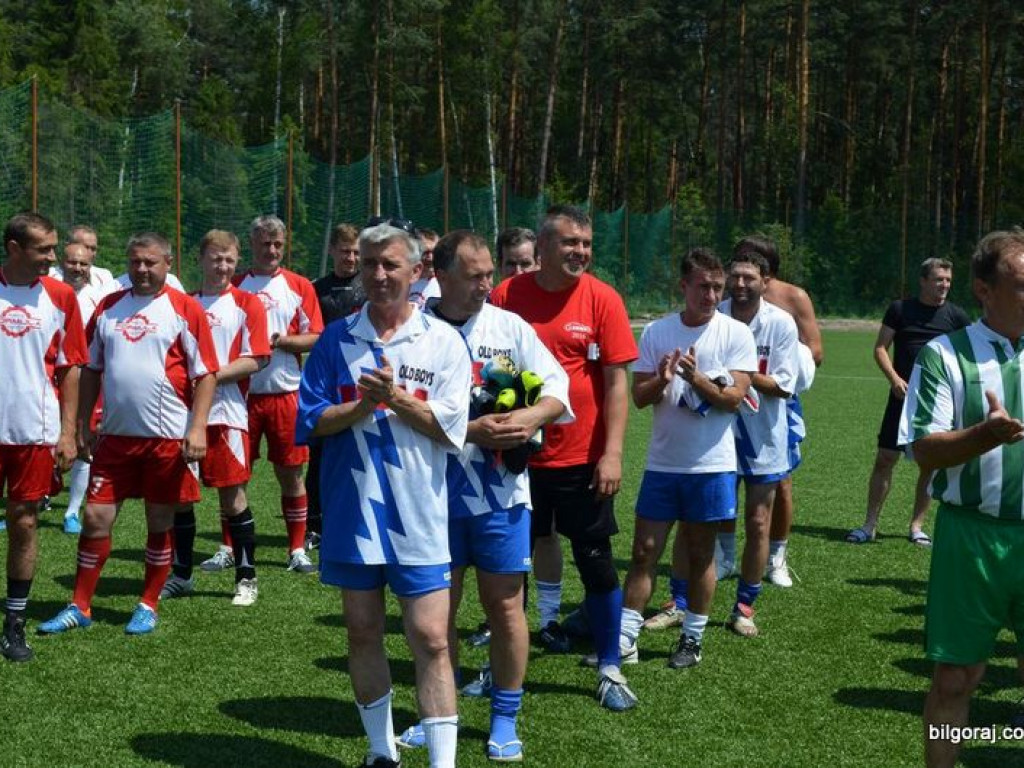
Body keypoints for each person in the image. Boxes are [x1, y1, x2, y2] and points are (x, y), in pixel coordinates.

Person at [296, 221, 471, 768]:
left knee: (432, 638)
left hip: (419, 514)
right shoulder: (336, 339)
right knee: (362, 631)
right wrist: (362, 406)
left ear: (416, 271)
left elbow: (451, 430)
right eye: (369, 263)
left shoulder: (443, 342)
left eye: (390, 264)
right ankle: (381, 751)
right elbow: (311, 420)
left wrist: (394, 398)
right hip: (353, 510)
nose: (377, 274)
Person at [397, 230, 571, 758]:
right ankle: (437, 716)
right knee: (436, 616)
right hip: (432, 497)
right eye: (474, 276)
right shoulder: (413, 330)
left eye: (489, 275)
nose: (486, 285)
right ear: (441, 275)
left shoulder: (508, 326)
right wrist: (470, 431)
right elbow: (400, 407)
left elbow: (557, 388)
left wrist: (528, 418)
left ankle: (504, 719)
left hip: (500, 497)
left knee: (505, 606)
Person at [490, 205, 640, 710]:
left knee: (595, 561)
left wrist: (612, 454)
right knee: (509, 565)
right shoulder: (507, 295)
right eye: (570, 242)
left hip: (581, 458)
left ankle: (610, 666)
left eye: (586, 243)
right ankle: (502, 666)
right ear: (544, 247)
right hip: (516, 456)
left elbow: (616, 384)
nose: (581, 252)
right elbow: (488, 366)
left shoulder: (603, 299)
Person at [38, 232, 218, 637]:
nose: (141, 269)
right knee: (95, 518)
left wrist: (197, 427)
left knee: (159, 521)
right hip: (115, 438)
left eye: (150, 262)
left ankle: (147, 604)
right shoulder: (108, 307)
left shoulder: (185, 308)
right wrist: (84, 424)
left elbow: (206, 374)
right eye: (135, 262)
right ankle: (80, 605)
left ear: (168, 263)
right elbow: (91, 369)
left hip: (166, 439)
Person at [899, 229, 1024, 768]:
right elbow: (924, 449)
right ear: (984, 289)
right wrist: (984, 435)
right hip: (971, 538)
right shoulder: (946, 355)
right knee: (956, 677)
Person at [617, 248, 756, 670]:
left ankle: (692, 639)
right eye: (702, 286)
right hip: (663, 464)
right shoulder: (657, 331)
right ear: (684, 286)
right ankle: (625, 638)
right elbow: (639, 398)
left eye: (717, 287)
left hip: (711, 466)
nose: (711, 295)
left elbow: (735, 399)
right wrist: (661, 380)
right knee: (644, 551)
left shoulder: (735, 334)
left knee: (700, 556)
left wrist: (696, 378)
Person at [160, 231, 270, 607]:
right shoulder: (183, 304)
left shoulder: (247, 304)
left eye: (229, 260)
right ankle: (182, 574)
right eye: (216, 258)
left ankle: (246, 577)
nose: (222, 266)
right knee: (180, 498)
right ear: (200, 259)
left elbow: (257, 358)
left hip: (227, 414)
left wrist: (207, 376)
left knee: (233, 498)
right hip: (182, 416)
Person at [0, 212, 87, 661]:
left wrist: (68, 432)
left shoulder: (61, 297)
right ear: (14, 249)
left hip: (34, 431)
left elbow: (70, 368)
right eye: (44, 249)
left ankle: (14, 623)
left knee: (25, 521)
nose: (53, 258)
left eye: (54, 248)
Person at [846, 258, 969, 546]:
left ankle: (916, 527)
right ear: (923, 281)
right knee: (885, 459)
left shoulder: (956, 316)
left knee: (930, 464)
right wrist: (894, 379)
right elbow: (880, 348)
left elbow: (966, 354)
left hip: (936, 402)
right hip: (900, 397)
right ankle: (869, 525)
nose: (944, 285)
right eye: (938, 279)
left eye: (948, 280)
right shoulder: (900, 309)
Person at [229, 214, 323, 574]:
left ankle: (296, 549)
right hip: (241, 396)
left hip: (285, 392)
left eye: (277, 244)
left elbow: (316, 336)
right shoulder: (235, 285)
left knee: (291, 472)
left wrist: (281, 341)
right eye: (265, 243)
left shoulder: (298, 285)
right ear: (251, 245)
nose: (271, 250)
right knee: (234, 475)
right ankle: (228, 547)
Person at [733, 235, 823, 587]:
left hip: (776, 400)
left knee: (780, 481)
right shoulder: (728, 297)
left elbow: (815, 352)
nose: (742, 275)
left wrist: (780, 360)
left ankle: (776, 557)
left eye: (752, 262)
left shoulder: (793, 297)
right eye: (739, 260)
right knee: (725, 476)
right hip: (730, 398)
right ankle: (724, 554)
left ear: (768, 270)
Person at [717, 250, 799, 637]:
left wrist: (740, 374)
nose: (740, 284)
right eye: (735, 276)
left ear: (765, 282)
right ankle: (685, 601)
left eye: (749, 277)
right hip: (715, 436)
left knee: (758, 521)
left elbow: (784, 386)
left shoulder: (780, 323)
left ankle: (745, 606)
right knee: (705, 519)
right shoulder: (714, 315)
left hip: (764, 438)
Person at [306, 223, 366, 549]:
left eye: (356, 252)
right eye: (345, 251)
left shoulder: (368, 287)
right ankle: (314, 524)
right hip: (326, 380)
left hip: (360, 378)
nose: (351, 258)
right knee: (319, 454)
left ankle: (355, 515)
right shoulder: (317, 289)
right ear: (331, 250)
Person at [59, 242, 106, 535]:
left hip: (86, 379)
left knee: (82, 441)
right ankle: (36, 497)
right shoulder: (47, 291)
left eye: (83, 264)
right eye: (72, 262)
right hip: (52, 377)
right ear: (61, 262)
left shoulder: (99, 298)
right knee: (43, 440)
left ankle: (72, 512)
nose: (77, 268)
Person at [49, 225, 117, 293]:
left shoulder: (104, 277)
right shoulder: (49, 277)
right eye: (85, 247)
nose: (89, 253)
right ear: (69, 246)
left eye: (93, 249)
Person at [409, 227, 440, 308]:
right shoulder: (403, 282)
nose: (431, 258)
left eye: (434, 252)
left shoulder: (445, 284)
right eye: (426, 252)